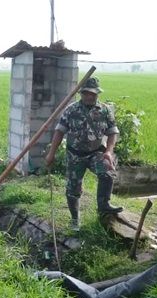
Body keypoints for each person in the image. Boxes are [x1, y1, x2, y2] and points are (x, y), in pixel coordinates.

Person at [45, 76, 123, 231]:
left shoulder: (105, 110)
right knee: (73, 189)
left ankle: (104, 205)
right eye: (86, 93)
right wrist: (51, 154)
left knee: (107, 173)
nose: (89, 96)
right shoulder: (71, 110)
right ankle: (75, 220)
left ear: (97, 94)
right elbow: (59, 132)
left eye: (93, 94)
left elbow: (113, 132)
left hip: (96, 153)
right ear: (81, 93)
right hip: (75, 155)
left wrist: (109, 151)